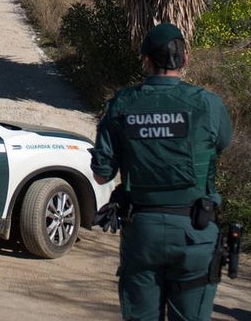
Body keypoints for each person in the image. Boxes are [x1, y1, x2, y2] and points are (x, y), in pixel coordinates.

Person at [90, 23, 233, 321]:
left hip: (143, 233)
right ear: (185, 59)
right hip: (195, 231)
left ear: (146, 61)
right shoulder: (208, 104)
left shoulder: (121, 104)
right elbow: (220, 146)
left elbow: (102, 175)